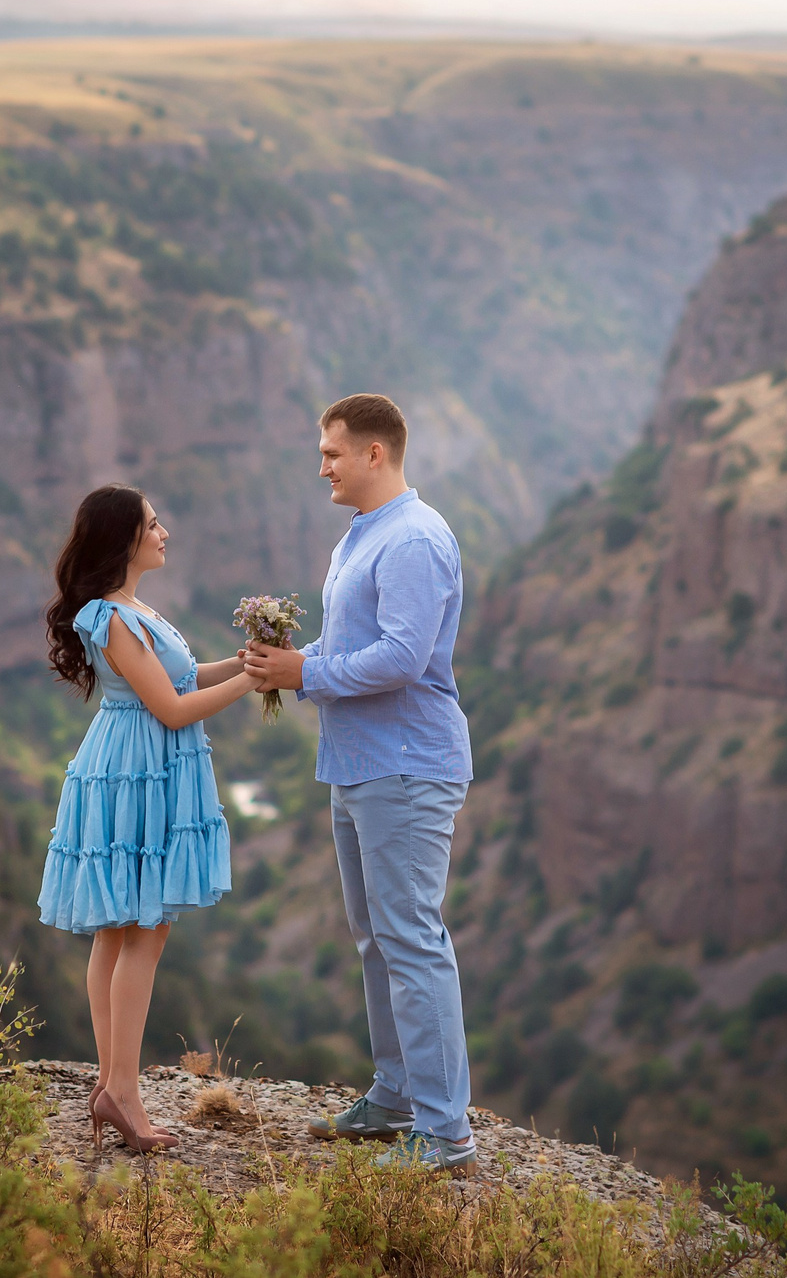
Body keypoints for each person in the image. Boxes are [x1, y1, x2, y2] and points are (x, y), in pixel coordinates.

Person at [241, 393, 476, 1175]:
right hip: (357, 764)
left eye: (332, 452)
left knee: (411, 938)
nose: (323, 467)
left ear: (376, 452)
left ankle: (445, 1132)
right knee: (378, 937)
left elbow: (404, 656)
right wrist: (287, 660)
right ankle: (396, 1095)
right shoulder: (362, 535)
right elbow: (352, 642)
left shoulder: (414, 538)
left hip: (405, 765)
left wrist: (304, 673)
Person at [37, 484, 254, 1153]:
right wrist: (254, 682)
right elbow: (173, 709)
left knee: (119, 929)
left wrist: (244, 661)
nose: (164, 533)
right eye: (153, 524)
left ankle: (112, 1085)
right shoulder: (113, 617)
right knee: (144, 929)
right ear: (124, 538)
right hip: (136, 772)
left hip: (138, 767)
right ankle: (123, 1093)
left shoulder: (130, 609)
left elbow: (180, 679)